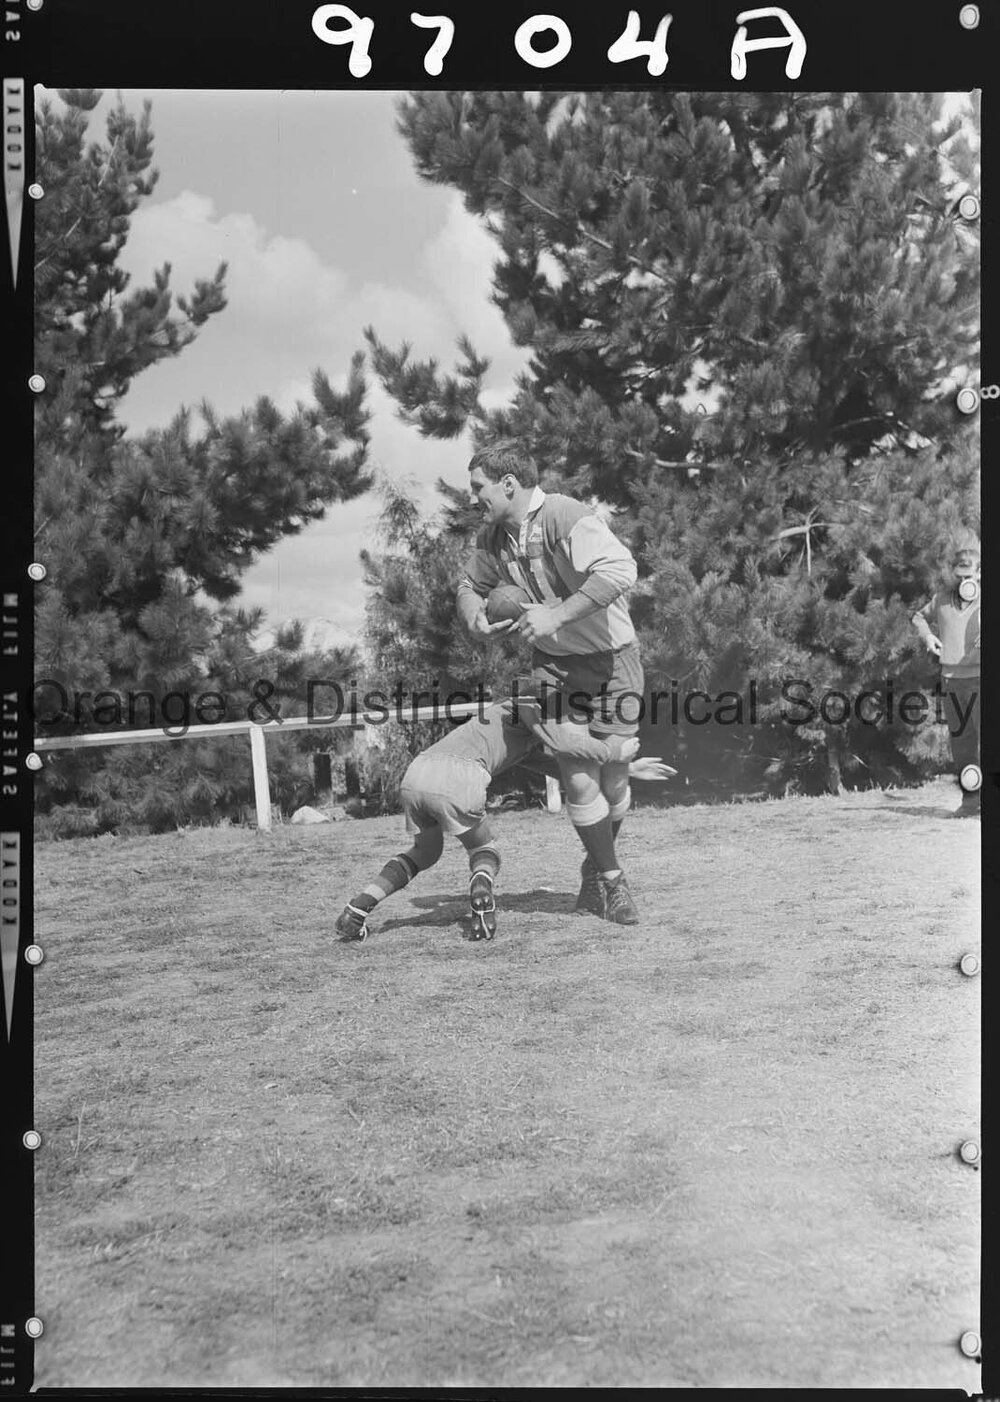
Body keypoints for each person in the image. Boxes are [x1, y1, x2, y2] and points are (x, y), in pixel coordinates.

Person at [456, 440, 645, 924]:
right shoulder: (493, 535)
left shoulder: (564, 514)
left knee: (617, 778)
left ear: (509, 484)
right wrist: (474, 613)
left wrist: (558, 614)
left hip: (614, 660)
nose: (473, 497)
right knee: (579, 775)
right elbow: (468, 586)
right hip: (554, 667)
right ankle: (613, 882)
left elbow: (622, 570)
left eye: (478, 487)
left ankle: (593, 868)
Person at [334, 693, 670, 943]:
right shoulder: (528, 701)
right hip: (460, 777)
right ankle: (481, 893)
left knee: (425, 852)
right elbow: (566, 746)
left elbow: (559, 765)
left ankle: (358, 908)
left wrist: (629, 769)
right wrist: (614, 753)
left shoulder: (510, 726)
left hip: (418, 772)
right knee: (485, 853)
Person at [911, 535, 981, 817]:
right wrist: (928, 636)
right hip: (951, 681)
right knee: (962, 743)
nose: (965, 579)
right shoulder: (940, 599)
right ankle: (971, 803)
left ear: (980, 572)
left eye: (970, 574)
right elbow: (917, 616)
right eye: (959, 574)